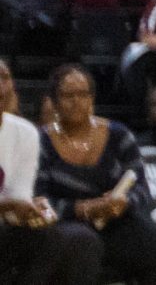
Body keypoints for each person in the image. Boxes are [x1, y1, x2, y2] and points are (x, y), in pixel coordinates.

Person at [36, 65, 156, 285]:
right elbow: (39, 200)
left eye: (83, 94)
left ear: (92, 98)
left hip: (116, 221)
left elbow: (142, 189)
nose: (77, 101)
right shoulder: (41, 141)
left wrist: (124, 202)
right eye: (69, 95)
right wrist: (85, 208)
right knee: (84, 242)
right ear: (54, 101)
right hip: (65, 225)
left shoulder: (119, 135)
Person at [1, 62, 103, 285]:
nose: (0, 84)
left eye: (5, 76)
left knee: (78, 239)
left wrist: (32, 209)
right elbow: (11, 202)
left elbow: (21, 193)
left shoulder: (25, 132)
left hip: (7, 223)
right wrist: (10, 206)